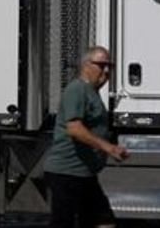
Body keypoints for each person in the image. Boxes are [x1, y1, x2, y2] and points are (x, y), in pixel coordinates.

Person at [44, 46, 129, 228]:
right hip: (66, 173)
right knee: (64, 222)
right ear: (85, 66)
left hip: (84, 173)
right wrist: (108, 148)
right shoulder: (77, 90)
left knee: (103, 220)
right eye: (101, 65)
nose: (106, 71)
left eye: (110, 66)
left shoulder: (92, 92)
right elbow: (74, 129)